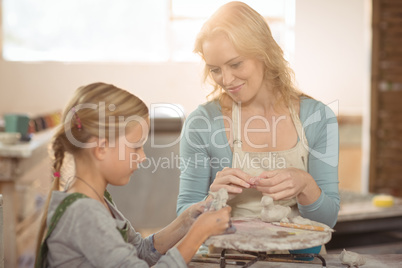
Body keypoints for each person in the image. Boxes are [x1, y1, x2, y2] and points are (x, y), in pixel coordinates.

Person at [176, 1, 340, 253]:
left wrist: (306, 185)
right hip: (227, 260)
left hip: (300, 260)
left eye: (236, 64)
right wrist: (212, 201)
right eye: (215, 70)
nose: (226, 80)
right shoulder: (202, 123)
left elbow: (326, 222)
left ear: (264, 52)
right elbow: (182, 223)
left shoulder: (317, 117)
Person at [35, 82, 232, 268]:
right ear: (101, 148)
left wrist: (187, 222)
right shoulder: (84, 213)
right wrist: (197, 235)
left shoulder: (98, 199)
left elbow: (140, 251)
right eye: (136, 147)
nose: (143, 157)